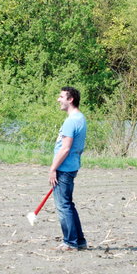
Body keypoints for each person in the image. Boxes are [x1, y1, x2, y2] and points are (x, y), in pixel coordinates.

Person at [49, 86, 87, 251]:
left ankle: (70, 242)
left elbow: (65, 148)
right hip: (71, 166)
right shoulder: (80, 118)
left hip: (64, 168)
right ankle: (79, 241)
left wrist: (53, 169)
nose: (59, 99)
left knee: (63, 205)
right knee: (68, 204)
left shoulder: (71, 121)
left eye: (61, 96)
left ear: (70, 99)